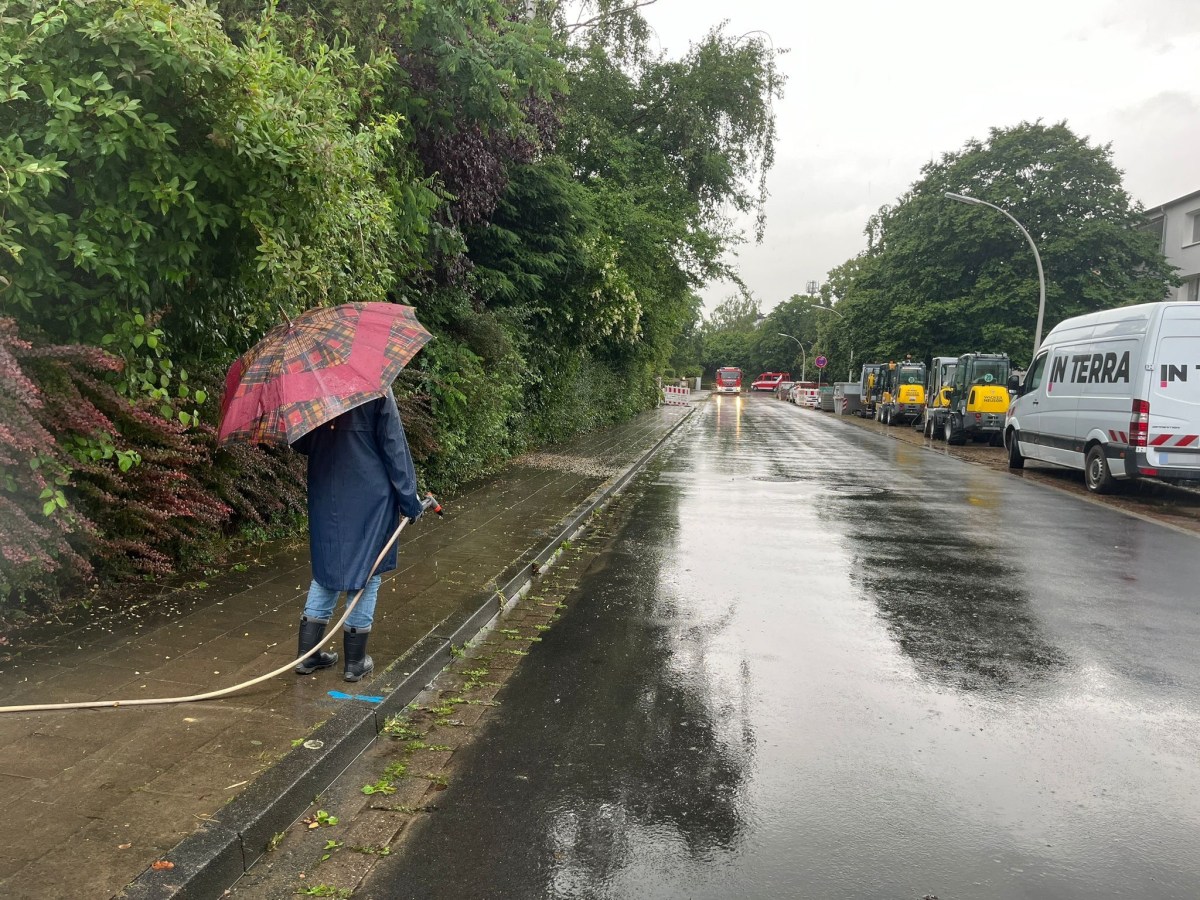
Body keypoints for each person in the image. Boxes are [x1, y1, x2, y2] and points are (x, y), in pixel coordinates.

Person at [291, 387, 424, 682]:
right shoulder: (376, 387)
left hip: (327, 492)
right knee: (368, 570)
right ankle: (355, 661)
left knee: (326, 569)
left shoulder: (312, 389)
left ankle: (308, 655)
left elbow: (300, 442)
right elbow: (394, 448)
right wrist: (410, 501)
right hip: (369, 496)